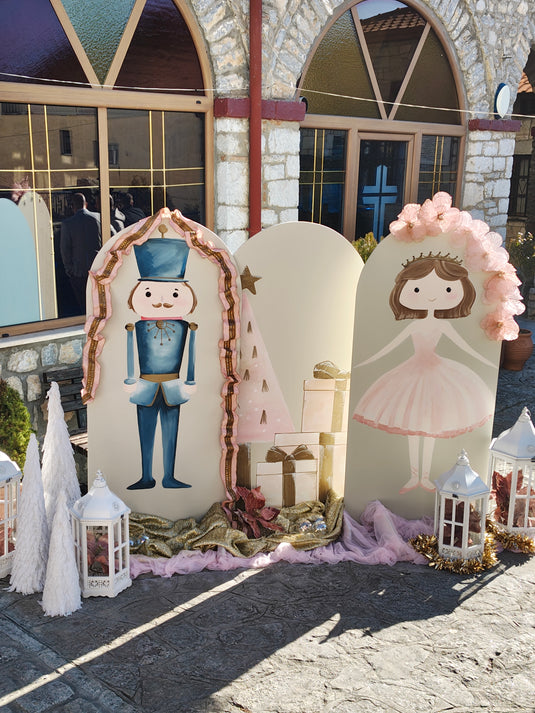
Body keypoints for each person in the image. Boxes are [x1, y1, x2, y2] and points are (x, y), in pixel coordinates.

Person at [353, 253, 494, 494]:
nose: (430, 296)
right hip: (412, 373)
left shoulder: (443, 324)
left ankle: (425, 478)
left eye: (447, 289)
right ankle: (414, 476)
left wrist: (485, 359)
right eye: (417, 289)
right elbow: (390, 347)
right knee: (413, 428)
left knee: (429, 428)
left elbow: (464, 346)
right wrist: (366, 361)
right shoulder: (415, 324)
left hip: (436, 375)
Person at [123, 233, 198, 490]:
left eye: (174, 293)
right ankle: (146, 476)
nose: (162, 300)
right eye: (150, 292)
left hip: (173, 386)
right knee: (145, 432)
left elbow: (191, 352)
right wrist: (130, 378)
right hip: (145, 385)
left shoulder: (185, 327)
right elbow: (130, 350)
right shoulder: (137, 327)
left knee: (171, 433)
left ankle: (169, 476)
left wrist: (190, 380)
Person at [60, 193, 101, 312]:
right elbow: (113, 235)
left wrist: (69, 270)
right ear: (86, 204)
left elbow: (65, 250)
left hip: (79, 272)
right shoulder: (99, 218)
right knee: (99, 304)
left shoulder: (67, 224)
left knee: (84, 307)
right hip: (98, 268)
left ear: (72, 206)